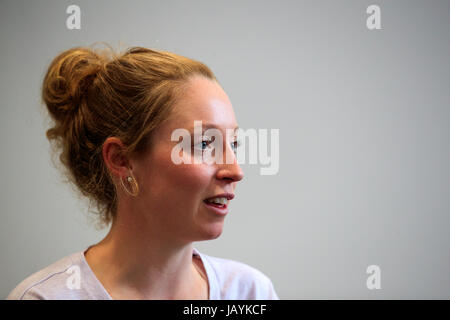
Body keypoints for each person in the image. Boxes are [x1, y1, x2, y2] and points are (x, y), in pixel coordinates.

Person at [6, 45, 279, 300]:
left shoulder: (249, 293)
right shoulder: (46, 297)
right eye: (205, 144)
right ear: (121, 159)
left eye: (233, 144)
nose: (235, 171)